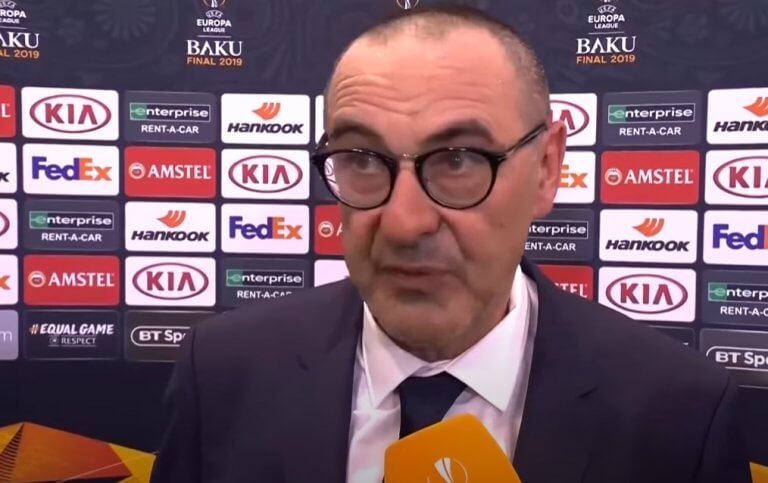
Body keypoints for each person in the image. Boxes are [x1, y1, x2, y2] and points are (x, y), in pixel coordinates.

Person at [150, 5, 751, 483]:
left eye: (459, 160)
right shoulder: (222, 372)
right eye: (362, 159)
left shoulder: (679, 415)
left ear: (547, 168)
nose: (404, 223)